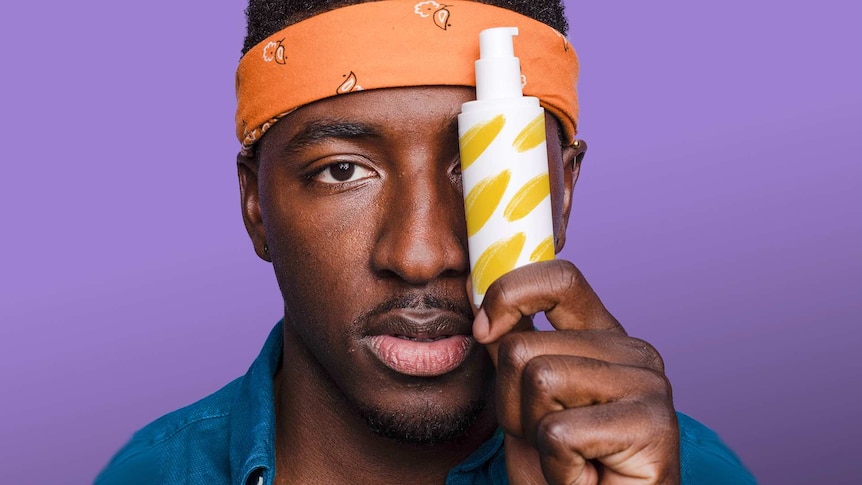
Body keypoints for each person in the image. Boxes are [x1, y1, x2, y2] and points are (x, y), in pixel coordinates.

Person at [96, 1, 756, 483]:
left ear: (564, 193)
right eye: (343, 170)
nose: (421, 254)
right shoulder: (146, 474)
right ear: (255, 205)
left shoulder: (686, 472)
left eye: (482, 169)